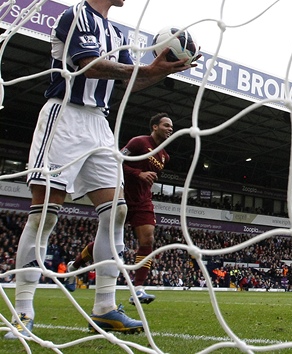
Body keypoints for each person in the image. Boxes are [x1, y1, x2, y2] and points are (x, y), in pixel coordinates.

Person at [4, 0, 196, 339]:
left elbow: (128, 83)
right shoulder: (76, 15)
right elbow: (88, 65)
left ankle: (105, 308)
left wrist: (160, 70)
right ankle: (22, 312)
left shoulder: (115, 31)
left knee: (117, 212)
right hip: (64, 115)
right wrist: (148, 70)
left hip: (99, 123)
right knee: (45, 214)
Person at [65, 113, 173, 306]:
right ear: (155, 127)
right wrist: (138, 173)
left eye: (171, 127)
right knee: (108, 241)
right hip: (120, 195)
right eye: (166, 125)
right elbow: (116, 162)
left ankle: (138, 289)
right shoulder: (139, 143)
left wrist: (144, 178)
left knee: (148, 238)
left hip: (143, 201)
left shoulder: (165, 156)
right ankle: (74, 266)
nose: (170, 129)